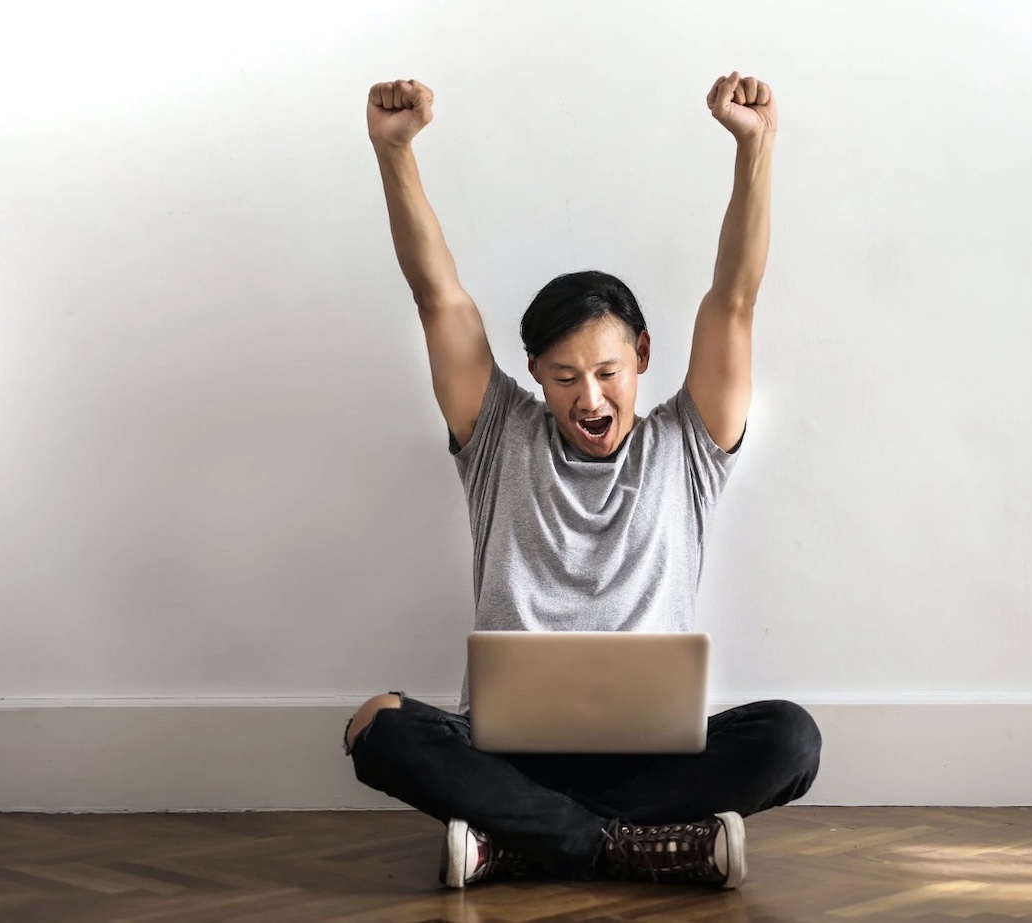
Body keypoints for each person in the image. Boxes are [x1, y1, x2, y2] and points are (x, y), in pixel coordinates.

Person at [345, 72, 821, 889]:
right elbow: (437, 298)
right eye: (564, 376)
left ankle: (522, 840)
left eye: (606, 370)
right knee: (376, 726)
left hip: (649, 757)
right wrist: (395, 153)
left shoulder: (687, 445)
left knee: (790, 738)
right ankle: (633, 846)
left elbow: (735, 302)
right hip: (505, 751)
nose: (589, 397)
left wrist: (757, 146)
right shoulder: (499, 435)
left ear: (642, 354)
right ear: (532, 371)